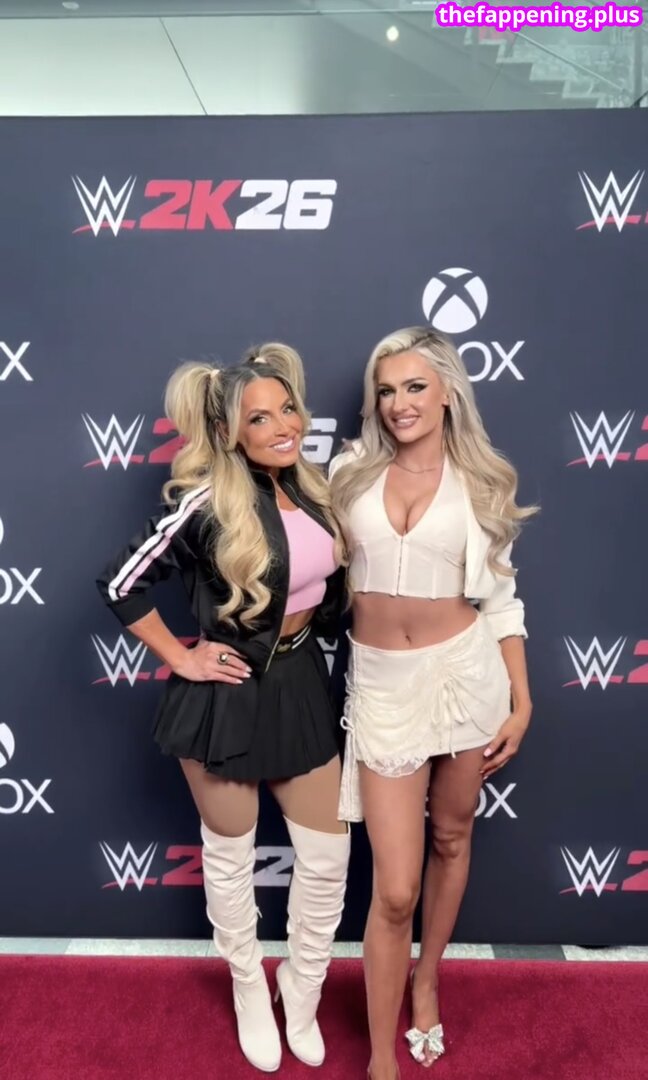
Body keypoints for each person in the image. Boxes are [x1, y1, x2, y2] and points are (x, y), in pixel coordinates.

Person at [97, 344, 350, 1073]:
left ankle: (302, 986)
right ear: (228, 430)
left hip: (300, 684)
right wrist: (181, 657)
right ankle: (248, 987)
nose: (284, 425)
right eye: (260, 417)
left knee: (327, 859)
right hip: (226, 697)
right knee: (232, 859)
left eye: (288, 409)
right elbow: (120, 582)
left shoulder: (313, 489)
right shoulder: (205, 501)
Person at [329, 327, 536, 1080]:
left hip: (465, 678)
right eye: (386, 390)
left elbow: (501, 600)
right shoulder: (348, 471)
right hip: (382, 686)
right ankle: (382, 1058)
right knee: (394, 889)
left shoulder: (482, 480)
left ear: (448, 391)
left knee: (451, 837)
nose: (399, 403)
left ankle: (428, 978)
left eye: (415, 386)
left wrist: (521, 701)